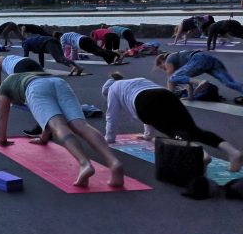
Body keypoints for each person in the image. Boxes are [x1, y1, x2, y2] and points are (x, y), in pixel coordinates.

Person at [0, 72, 124, 187]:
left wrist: (2, 141)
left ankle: (85, 164)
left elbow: (2, 117)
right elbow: (45, 123)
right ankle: (114, 162)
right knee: (81, 125)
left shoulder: (5, 87)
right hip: (58, 82)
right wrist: (43, 139)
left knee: (59, 126)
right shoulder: (25, 75)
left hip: (35, 87)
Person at [102, 72, 242, 172]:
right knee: (193, 129)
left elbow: (111, 116)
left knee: (174, 133)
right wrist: (147, 136)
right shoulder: (136, 80)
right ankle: (233, 152)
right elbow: (145, 98)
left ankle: (201, 155)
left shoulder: (113, 89)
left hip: (145, 102)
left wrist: (109, 138)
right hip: (166, 95)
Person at [155, 50, 243, 98]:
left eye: (162, 67)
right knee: (229, 83)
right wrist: (190, 96)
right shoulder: (183, 63)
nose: (164, 68)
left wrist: (168, 95)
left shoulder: (169, 58)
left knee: (173, 78)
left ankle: (201, 82)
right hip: (210, 59)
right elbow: (189, 80)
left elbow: (170, 78)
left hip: (198, 58)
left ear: (162, 61)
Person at [54, 31, 121, 65]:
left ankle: (114, 57)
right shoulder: (69, 34)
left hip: (81, 42)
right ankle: (115, 57)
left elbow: (62, 48)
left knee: (97, 52)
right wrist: (73, 58)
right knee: (99, 50)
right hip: (86, 38)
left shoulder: (62, 38)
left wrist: (61, 57)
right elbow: (74, 48)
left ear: (58, 37)